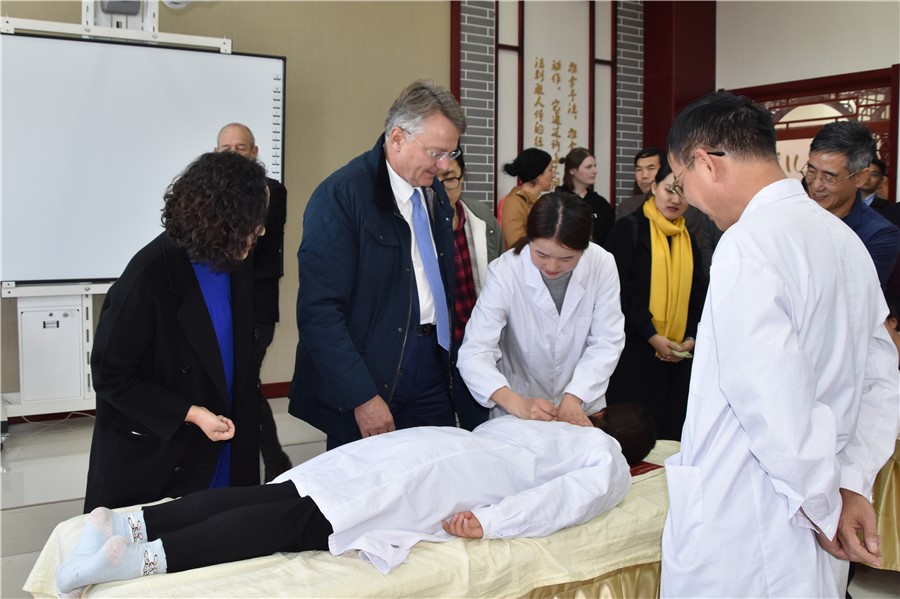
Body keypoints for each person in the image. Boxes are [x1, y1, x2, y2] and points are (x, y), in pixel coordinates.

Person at [659, 92, 899, 598]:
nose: (689, 199)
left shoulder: (748, 244)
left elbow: (771, 403)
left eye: (682, 181)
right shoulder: (843, 239)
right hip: (816, 495)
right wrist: (849, 481)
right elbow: (880, 377)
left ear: (706, 162)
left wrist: (823, 505)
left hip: (753, 518)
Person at [56, 407, 655, 593]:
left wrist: (492, 516)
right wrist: (491, 520)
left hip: (428, 449)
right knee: (285, 522)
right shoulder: (607, 460)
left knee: (270, 497)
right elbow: (563, 500)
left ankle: (129, 524)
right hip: (442, 477)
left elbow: (533, 471)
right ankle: (129, 561)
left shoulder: (560, 428)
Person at [84, 152, 270, 513]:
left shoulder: (237, 261)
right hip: (164, 450)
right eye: (253, 220)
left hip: (226, 438)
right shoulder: (148, 276)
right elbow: (111, 376)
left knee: (229, 530)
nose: (261, 231)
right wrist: (191, 413)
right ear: (223, 220)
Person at [290, 80, 463, 449]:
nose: (445, 165)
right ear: (397, 138)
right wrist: (362, 396)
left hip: (432, 366)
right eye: (436, 152)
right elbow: (319, 312)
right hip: (371, 375)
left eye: (451, 153)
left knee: (436, 472)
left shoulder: (434, 195)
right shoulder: (343, 196)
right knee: (368, 481)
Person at [458, 193, 625, 426]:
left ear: (585, 246)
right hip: (519, 406)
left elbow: (607, 341)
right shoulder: (506, 271)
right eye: (541, 254)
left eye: (567, 258)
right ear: (529, 239)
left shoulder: (602, 264)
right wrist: (516, 403)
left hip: (582, 403)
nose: (552, 266)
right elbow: (475, 351)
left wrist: (575, 395)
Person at [604, 164, 707, 440]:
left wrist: (691, 336)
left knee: (672, 433)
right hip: (635, 351)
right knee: (633, 433)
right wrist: (651, 335)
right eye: (669, 189)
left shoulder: (687, 237)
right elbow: (622, 291)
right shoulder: (629, 229)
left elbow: (698, 294)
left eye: (682, 192)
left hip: (678, 355)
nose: (675, 199)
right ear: (653, 187)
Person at [215, 122, 292, 482]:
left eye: (241, 148)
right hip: (220, 304)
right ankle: (270, 462)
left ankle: (272, 463)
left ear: (255, 153)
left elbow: (255, 244)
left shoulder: (271, 192)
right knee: (238, 386)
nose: (233, 154)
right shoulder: (209, 193)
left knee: (246, 383)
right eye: (226, 149)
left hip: (256, 306)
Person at [437, 150, 502, 430]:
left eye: (450, 179)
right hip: (439, 343)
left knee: (480, 422)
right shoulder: (421, 223)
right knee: (440, 427)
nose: (442, 187)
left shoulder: (481, 216)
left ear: (462, 179)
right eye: (435, 179)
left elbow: (499, 272)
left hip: (476, 338)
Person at [805, 122, 900, 289]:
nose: (816, 185)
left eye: (829, 177)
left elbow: (845, 293)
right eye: (811, 171)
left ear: (860, 178)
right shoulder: (792, 215)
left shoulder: (879, 235)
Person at [556, 147, 615, 245]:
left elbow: (611, 238)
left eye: (595, 166)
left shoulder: (601, 204)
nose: (594, 171)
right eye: (589, 167)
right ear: (573, 170)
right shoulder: (557, 199)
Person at [498, 148, 554, 249]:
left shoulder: (539, 201)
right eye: (550, 170)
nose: (553, 175)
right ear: (538, 175)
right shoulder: (513, 203)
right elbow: (516, 244)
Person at [615, 147, 663, 220]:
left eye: (651, 168)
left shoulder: (675, 204)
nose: (644, 176)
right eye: (639, 169)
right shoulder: (626, 207)